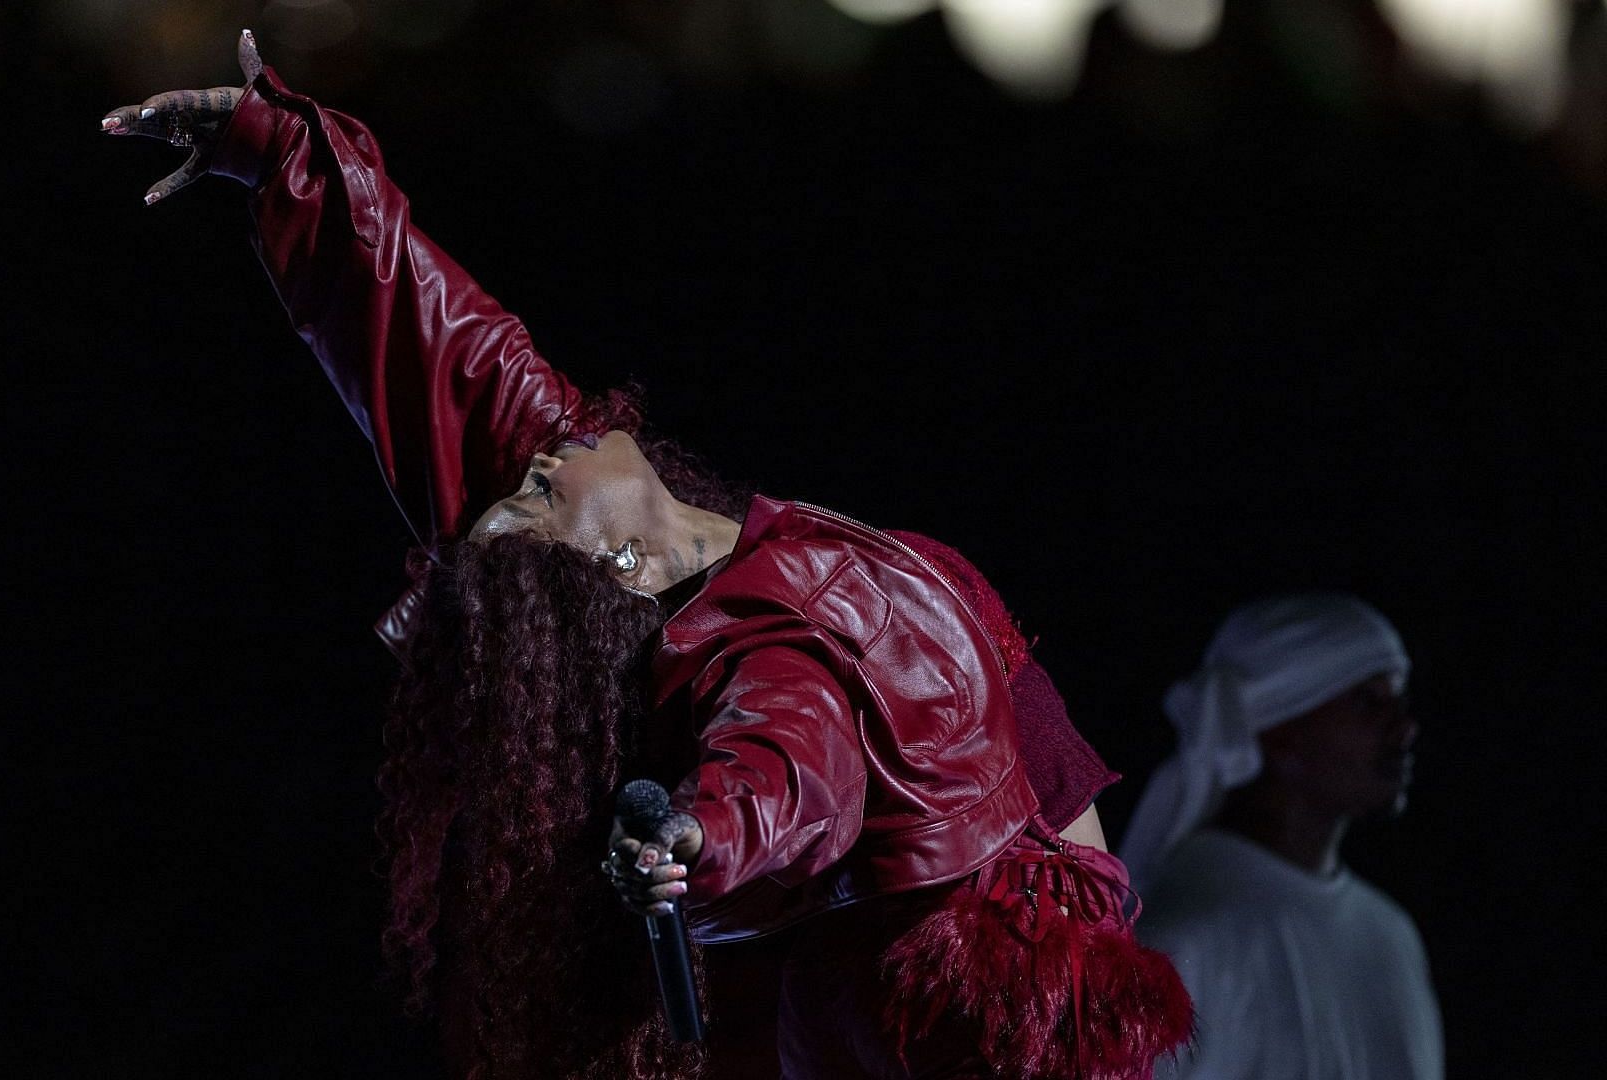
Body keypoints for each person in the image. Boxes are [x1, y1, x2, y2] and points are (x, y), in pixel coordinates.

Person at [102, 31, 1190, 1080]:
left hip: (1021, 953)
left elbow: (448, 362)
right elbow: (784, 772)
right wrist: (697, 836)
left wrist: (283, 155)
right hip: (964, 1031)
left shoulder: (676, 544)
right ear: (617, 563)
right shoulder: (764, 636)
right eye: (537, 488)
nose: (551, 449)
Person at [1119, 594, 1444, 1080]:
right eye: (1368, 702)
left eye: (1399, 700)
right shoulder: (1183, 936)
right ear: (1277, 725)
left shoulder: (1392, 936)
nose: (1405, 728)